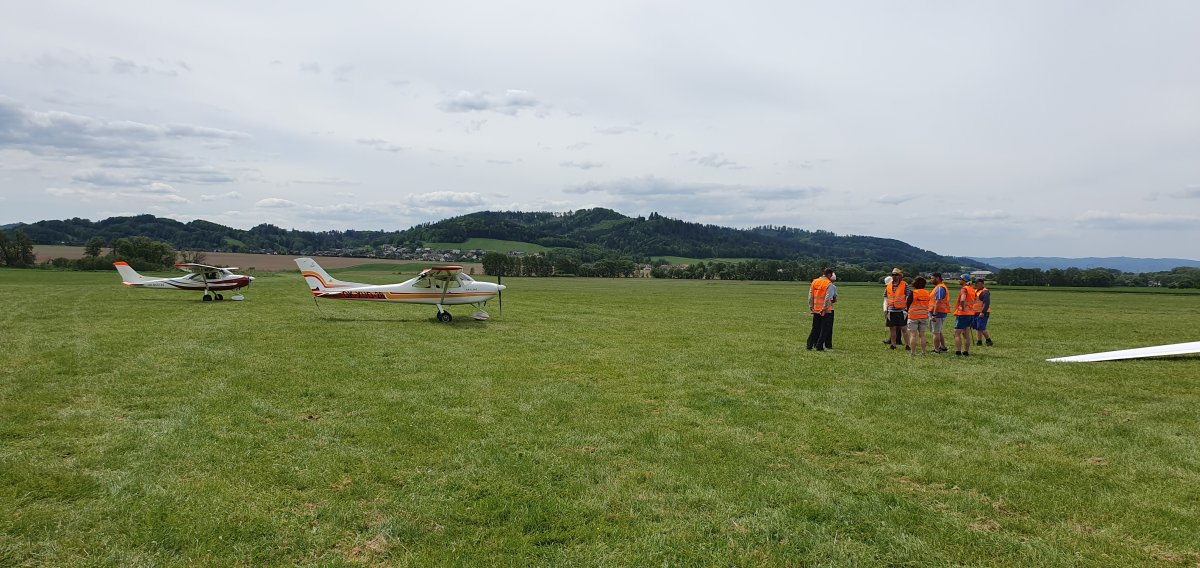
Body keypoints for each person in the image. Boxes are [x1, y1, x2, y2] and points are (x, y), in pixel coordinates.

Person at [807, 268, 834, 351]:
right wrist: (824, 308)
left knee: (815, 328)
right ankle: (819, 346)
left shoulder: (814, 282)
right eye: (831, 275)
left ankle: (809, 345)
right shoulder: (829, 283)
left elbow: (810, 296)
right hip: (826, 311)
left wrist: (811, 306)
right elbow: (828, 297)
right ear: (829, 274)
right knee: (824, 329)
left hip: (815, 309)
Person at [906, 276, 932, 356]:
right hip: (924, 316)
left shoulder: (913, 292)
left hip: (913, 316)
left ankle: (913, 353)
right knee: (922, 335)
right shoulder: (927, 293)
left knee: (913, 335)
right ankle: (923, 352)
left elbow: (907, 304)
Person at [953, 273, 978, 356]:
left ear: (964, 280)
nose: (958, 280)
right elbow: (975, 299)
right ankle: (966, 352)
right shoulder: (972, 289)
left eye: (960, 279)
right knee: (966, 334)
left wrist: (963, 309)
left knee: (956, 334)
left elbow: (962, 300)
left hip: (963, 314)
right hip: (970, 314)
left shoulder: (964, 289)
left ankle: (958, 352)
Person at [884, 268, 908, 350]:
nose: (894, 276)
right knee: (892, 329)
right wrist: (885, 308)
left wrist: (906, 308)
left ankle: (908, 345)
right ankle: (893, 345)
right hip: (891, 311)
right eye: (893, 275)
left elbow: (909, 296)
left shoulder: (905, 285)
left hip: (902, 311)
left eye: (896, 275)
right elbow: (885, 297)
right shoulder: (889, 286)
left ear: (900, 276)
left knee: (904, 329)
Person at [929, 272, 951, 353]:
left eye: (932, 278)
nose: (931, 280)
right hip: (940, 312)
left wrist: (934, 314)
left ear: (937, 278)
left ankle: (936, 350)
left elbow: (938, 302)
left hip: (937, 313)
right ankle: (943, 347)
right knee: (938, 331)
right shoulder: (940, 287)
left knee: (935, 332)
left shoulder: (939, 288)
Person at [973, 278, 993, 346]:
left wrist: (983, 312)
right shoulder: (975, 291)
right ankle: (979, 341)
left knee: (981, 327)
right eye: (975, 283)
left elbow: (986, 303)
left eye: (977, 283)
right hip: (975, 312)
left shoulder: (985, 292)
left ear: (982, 284)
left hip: (983, 312)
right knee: (978, 327)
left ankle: (988, 340)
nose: (975, 284)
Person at [822, 272, 838, 349]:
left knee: (818, 327)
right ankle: (827, 344)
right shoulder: (832, 286)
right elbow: (834, 299)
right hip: (828, 309)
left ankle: (816, 343)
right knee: (828, 327)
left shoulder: (818, 283)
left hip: (817, 308)